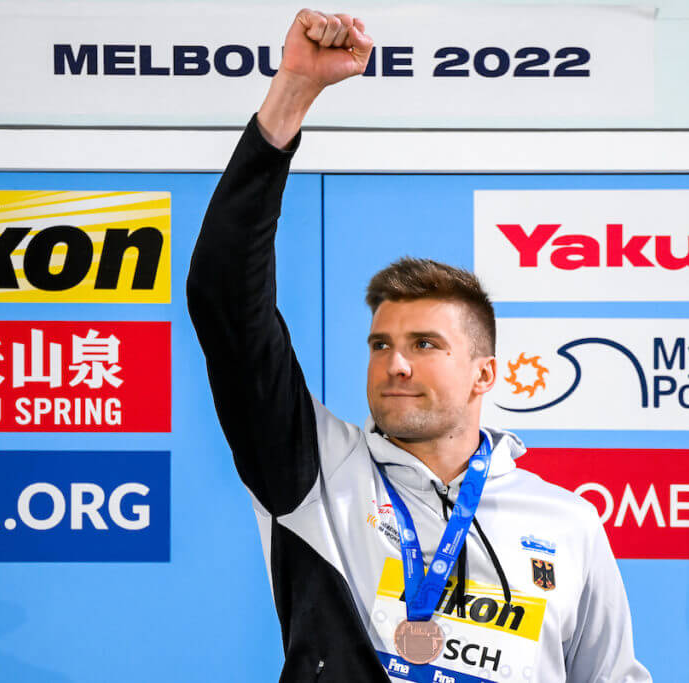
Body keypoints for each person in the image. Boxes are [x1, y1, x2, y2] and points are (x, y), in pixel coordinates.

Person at [187, 9, 651, 682]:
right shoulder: (314, 470)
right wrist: (292, 93)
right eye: (380, 343)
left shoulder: (568, 521)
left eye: (424, 343)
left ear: (482, 373)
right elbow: (224, 300)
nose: (394, 363)